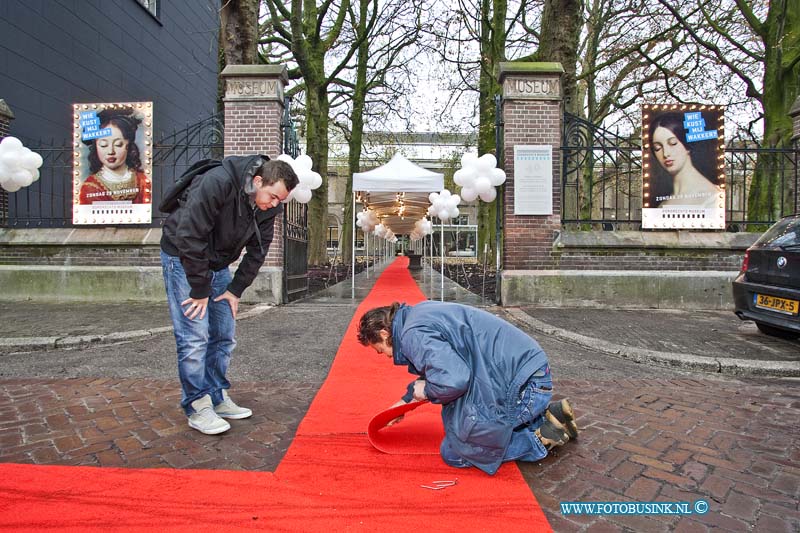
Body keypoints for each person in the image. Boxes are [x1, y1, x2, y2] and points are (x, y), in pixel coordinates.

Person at [160, 155, 298, 435]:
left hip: (217, 263)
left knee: (224, 334)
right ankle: (197, 405)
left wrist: (235, 290)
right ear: (258, 181)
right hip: (183, 258)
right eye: (272, 197)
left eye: (279, 201)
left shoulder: (268, 207)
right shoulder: (217, 182)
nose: (274, 205)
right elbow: (189, 235)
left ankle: (216, 395)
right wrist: (199, 289)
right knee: (194, 336)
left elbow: (260, 250)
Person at [357, 301, 578, 475]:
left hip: (523, 388)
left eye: (379, 350)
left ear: (384, 334)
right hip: (529, 374)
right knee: (471, 425)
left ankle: (539, 440)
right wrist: (405, 402)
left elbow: (453, 380)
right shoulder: (417, 316)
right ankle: (551, 416)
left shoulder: (412, 335)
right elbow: (436, 367)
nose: (383, 356)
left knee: (456, 451)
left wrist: (426, 391)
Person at [649, 112, 722, 208]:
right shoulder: (663, 204)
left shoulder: (714, 199)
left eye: (673, 143)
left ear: (687, 145)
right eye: (657, 148)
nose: (665, 154)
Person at [79, 107, 150, 205]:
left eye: (118, 144)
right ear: (96, 146)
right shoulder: (90, 187)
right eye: (103, 145)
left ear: (128, 145)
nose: (111, 151)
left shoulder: (142, 181)